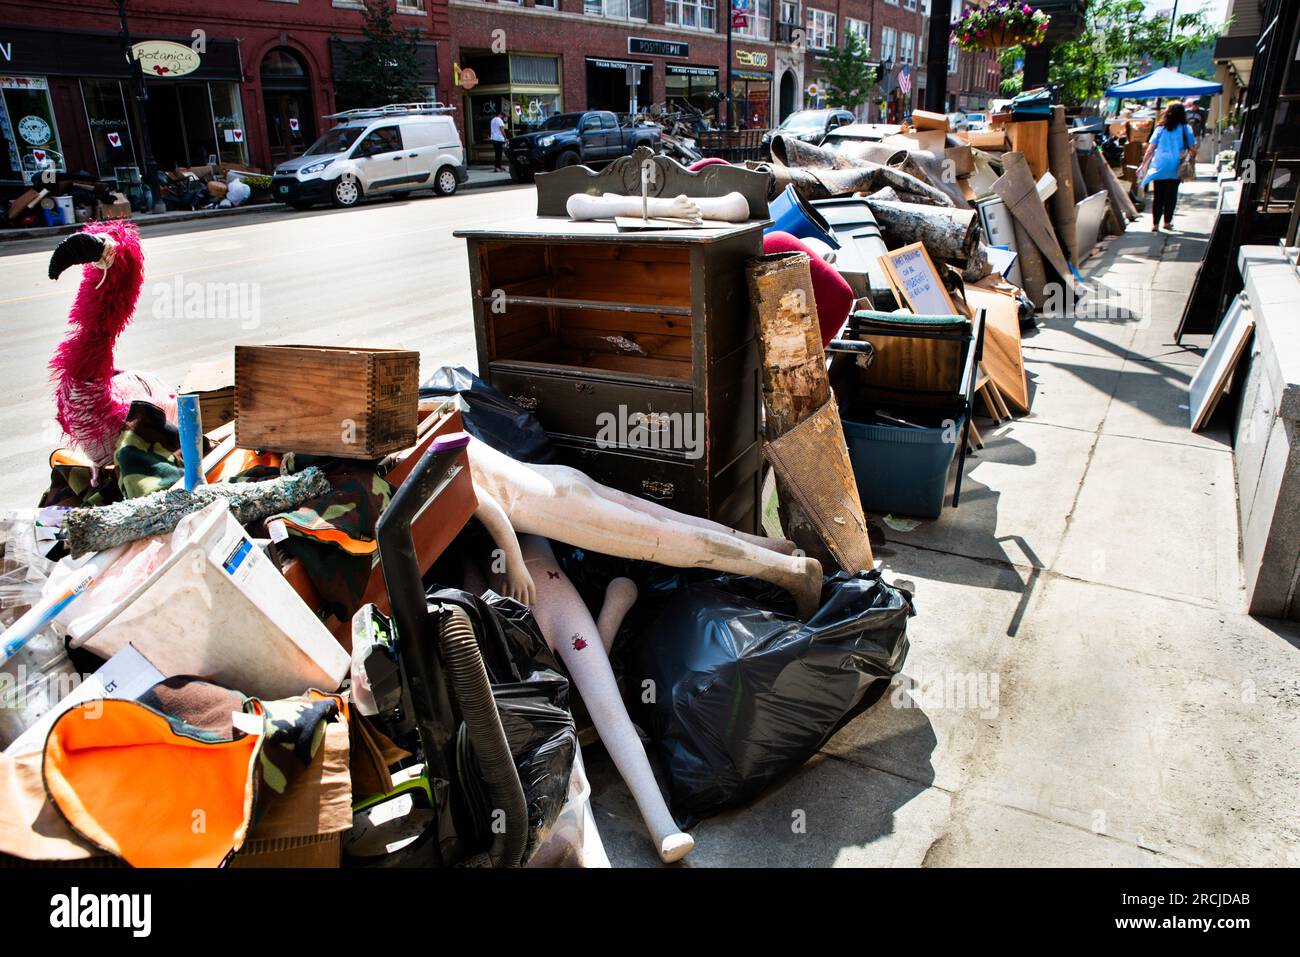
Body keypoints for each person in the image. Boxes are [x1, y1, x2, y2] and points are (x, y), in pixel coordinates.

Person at [1140, 101, 1196, 232]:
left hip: (1160, 165)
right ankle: (1167, 222)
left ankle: (1155, 224)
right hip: (1177, 165)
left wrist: (1143, 164)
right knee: (1172, 194)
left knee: (1158, 195)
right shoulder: (1186, 128)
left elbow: (1151, 148)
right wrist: (1189, 153)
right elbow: (1193, 148)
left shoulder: (1160, 128)